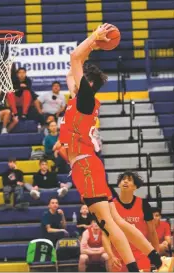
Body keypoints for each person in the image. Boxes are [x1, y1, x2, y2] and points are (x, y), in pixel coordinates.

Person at [64, 23, 164, 272]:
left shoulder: (85, 100)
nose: (73, 77)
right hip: (89, 164)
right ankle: (153, 257)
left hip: (85, 165)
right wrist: (94, 47)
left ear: (85, 83)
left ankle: (132, 268)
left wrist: (94, 38)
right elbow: (72, 68)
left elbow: (74, 57)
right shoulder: (80, 98)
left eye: (79, 77)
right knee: (116, 218)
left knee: (108, 222)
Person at [104, 171, 160, 272]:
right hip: (118, 257)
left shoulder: (144, 204)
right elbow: (105, 235)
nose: (125, 181)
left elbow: (152, 232)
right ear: (119, 184)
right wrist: (110, 256)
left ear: (135, 187)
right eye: (123, 179)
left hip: (141, 255)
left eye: (129, 180)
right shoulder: (111, 206)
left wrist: (156, 256)